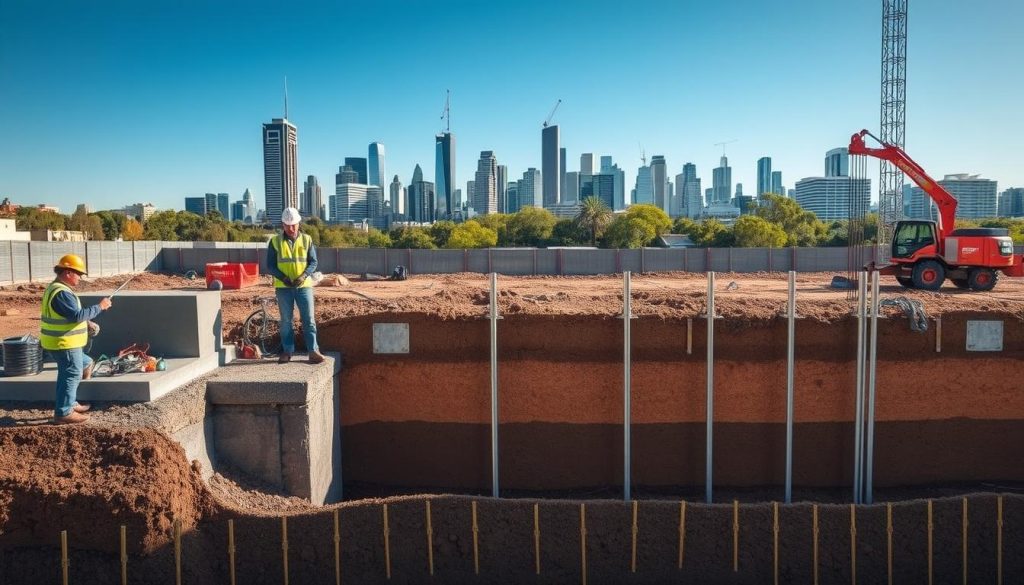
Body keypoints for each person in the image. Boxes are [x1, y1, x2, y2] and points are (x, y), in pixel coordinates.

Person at [40, 254, 112, 424]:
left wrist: (87, 322)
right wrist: (100, 307)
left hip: (61, 342)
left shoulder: (58, 289)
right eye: (78, 274)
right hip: (64, 343)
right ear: (67, 272)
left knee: (84, 363)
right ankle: (64, 412)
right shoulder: (62, 293)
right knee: (71, 372)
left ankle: (70, 402)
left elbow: (69, 315)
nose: (80, 278)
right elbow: (76, 315)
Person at [266, 207, 325, 364]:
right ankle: (287, 351)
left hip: (303, 286)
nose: (291, 228)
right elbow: (270, 265)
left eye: (293, 225)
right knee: (286, 321)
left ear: (299, 223)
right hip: (283, 288)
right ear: (282, 225)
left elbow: (313, 262)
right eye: (287, 225)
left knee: (309, 319)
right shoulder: (275, 242)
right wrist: (282, 277)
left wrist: (304, 275)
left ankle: (313, 351)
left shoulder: (307, 240)